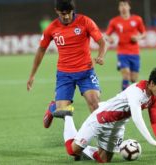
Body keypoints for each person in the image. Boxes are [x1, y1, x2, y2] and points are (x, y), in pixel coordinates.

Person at [54, 66, 156, 163]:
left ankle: (84, 149)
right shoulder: (136, 92)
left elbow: (155, 121)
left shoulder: (154, 98)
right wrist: (153, 142)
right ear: (152, 83)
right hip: (101, 119)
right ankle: (67, 114)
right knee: (72, 151)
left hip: (117, 127)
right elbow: (137, 118)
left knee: (103, 160)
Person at [26, 0, 107, 128]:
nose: (67, 16)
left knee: (95, 104)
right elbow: (41, 50)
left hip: (86, 72)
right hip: (65, 74)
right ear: (56, 11)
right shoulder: (52, 28)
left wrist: (101, 56)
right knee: (63, 111)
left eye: (69, 13)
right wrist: (32, 75)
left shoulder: (85, 21)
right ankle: (53, 107)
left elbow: (102, 42)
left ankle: (100, 138)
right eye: (63, 14)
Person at [105, 0, 147, 91]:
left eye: (125, 5)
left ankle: (130, 93)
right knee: (126, 75)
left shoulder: (137, 19)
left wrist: (138, 37)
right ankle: (124, 97)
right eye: (121, 5)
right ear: (119, 8)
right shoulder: (114, 21)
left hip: (135, 53)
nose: (123, 7)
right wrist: (110, 39)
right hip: (122, 53)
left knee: (133, 79)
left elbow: (144, 33)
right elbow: (106, 35)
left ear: (129, 7)